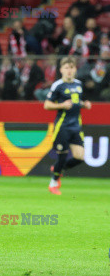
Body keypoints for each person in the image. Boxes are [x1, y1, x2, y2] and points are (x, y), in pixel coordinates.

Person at [44, 57, 92, 195]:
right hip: (62, 126)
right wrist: (61, 105)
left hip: (76, 126)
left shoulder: (78, 84)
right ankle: (53, 183)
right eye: (66, 68)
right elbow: (46, 105)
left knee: (80, 157)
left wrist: (84, 104)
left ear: (75, 69)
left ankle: (58, 168)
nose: (69, 70)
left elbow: (76, 101)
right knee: (63, 155)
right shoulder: (58, 85)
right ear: (61, 70)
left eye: (71, 67)